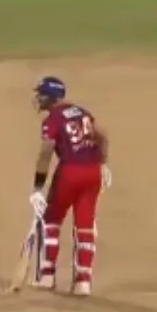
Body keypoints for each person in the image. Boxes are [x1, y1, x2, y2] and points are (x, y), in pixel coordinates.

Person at [30, 77, 112, 297]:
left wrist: (38, 187)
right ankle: (83, 282)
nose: (38, 98)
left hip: (70, 172)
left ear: (51, 97)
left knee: (51, 220)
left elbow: (46, 153)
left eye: (41, 94)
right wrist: (103, 163)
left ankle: (47, 276)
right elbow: (102, 136)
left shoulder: (52, 120)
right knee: (85, 225)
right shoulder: (82, 112)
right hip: (92, 172)